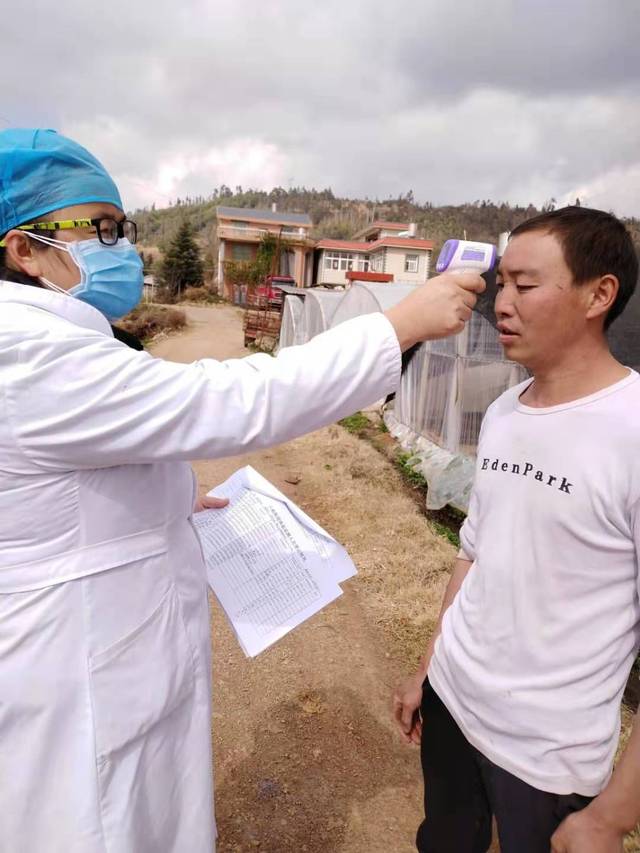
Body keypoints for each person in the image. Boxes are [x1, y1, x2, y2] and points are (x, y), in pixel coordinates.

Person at [0, 127, 483, 853]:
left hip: (104, 665)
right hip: (74, 687)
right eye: (99, 228)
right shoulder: (27, 351)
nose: (121, 244)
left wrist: (164, 496)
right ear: (22, 247)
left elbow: (69, 473)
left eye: (123, 227)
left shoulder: (57, 343)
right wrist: (395, 328)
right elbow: (221, 401)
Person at [393, 205, 640, 853]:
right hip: (453, 698)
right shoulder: (504, 410)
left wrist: (611, 818)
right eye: (501, 283)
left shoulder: (631, 431)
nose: (502, 301)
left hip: (545, 754)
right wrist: (429, 665)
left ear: (599, 293)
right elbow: (474, 550)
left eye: (525, 285)